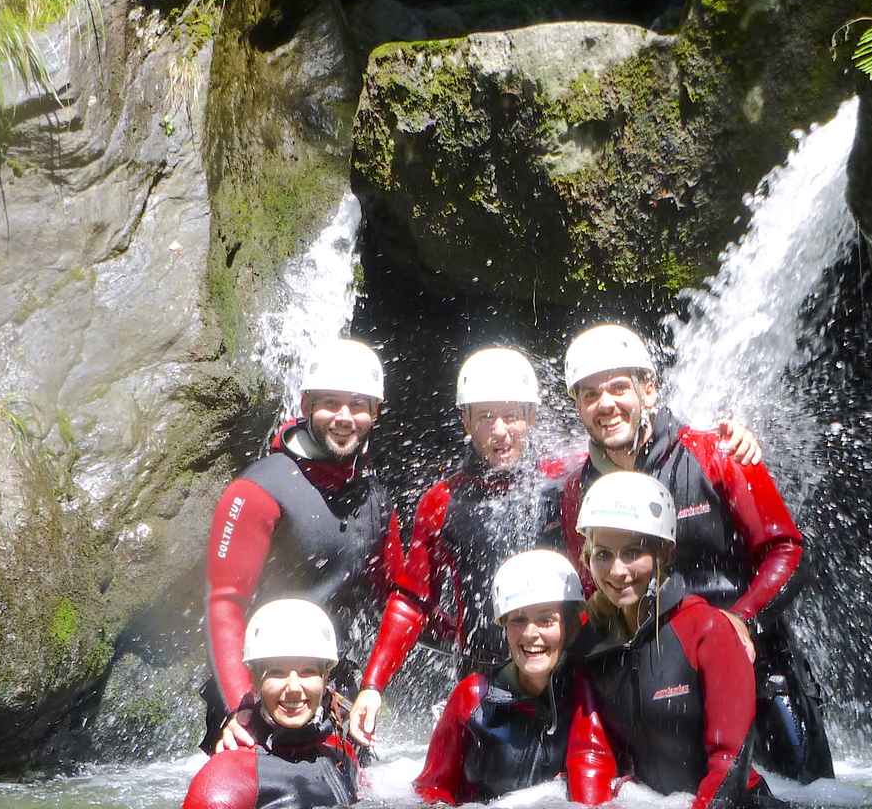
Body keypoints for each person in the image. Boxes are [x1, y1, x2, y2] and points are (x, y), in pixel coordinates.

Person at [350, 346, 760, 745]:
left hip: (571, 677)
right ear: (464, 421)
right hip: (483, 680)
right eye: (485, 417)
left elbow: (637, 450)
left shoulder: (567, 482)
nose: (499, 431)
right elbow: (412, 600)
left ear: (530, 417)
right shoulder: (441, 502)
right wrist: (373, 684)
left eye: (512, 416)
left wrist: (728, 438)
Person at [558, 324, 834, 782]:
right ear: (578, 407)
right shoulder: (576, 492)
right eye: (589, 394)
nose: (605, 404)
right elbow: (595, 592)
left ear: (648, 389)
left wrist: (741, 618)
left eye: (618, 387)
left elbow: (787, 549)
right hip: (657, 695)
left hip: (760, 672)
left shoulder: (717, 453)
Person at [203, 338, 400, 752]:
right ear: (307, 404)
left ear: (375, 413)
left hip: (332, 693)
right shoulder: (258, 490)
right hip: (261, 694)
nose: (344, 417)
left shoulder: (376, 497)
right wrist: (241, 707)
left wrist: (373, 685)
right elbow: (224, 603)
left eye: (359, 405)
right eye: (330, 402)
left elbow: (398, 596)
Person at [576, 471, 785, 809]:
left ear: (666, 554)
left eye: (632, 552)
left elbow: (729, 762)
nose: (617, 570)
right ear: (586, 559)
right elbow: (592, 753)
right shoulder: (589, 640)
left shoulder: (708, 630)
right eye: (603, 554)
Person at [413, 549, 615, 805]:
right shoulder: (471, 697)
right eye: (519, 620)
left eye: (546, 620)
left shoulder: (583, 697)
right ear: (505, 628)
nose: (530, 634)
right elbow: (431, 787)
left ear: (570, 627)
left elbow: (591, 788)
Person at [183, 599, 362, 809]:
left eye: (308, 672)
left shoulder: (342, 755)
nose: (294, 687)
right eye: (277, 672)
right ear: (256, 680)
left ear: (325, 678)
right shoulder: (226, 779)